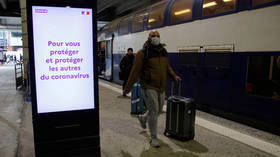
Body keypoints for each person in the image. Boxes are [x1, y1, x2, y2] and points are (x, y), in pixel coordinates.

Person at [123, 31, 181, 148]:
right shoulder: (142, 53)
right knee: (154, 110)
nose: (156, 38)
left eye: (157, 36)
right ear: (148, 38)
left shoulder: (164, 52)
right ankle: (153, 138)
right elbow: (134, 72)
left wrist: (174, 76)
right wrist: (127, 88)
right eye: (153, 36)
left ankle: (143, 118)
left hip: (161, 86)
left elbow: (167, 67)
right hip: (148, 86)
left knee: (159, 110)